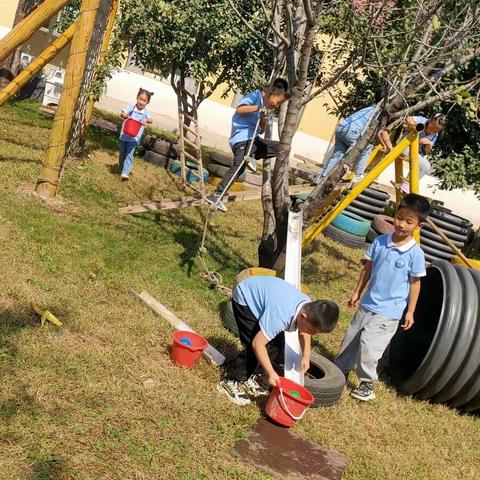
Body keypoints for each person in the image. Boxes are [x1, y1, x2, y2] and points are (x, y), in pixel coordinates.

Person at [335, 193, 431, 402]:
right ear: (393, 214)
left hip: (389, 311)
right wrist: (356, 292)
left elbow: (415, 284)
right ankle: (339, 371)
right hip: (368, 304)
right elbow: (367, 269)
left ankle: (367, 383)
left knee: (370, 346)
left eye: (409, 221)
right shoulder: (379, 242)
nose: (401, 224)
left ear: (418, 227)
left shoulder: (415, 254)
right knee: (351, 338)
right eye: (399, 217)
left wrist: (411, 311)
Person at [217, 275, 339, 406]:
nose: (313, 334)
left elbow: (304, 332)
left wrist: (306, 356)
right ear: (303, 317)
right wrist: (271, 373)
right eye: (313, 331)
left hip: (268, 296)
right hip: (246, 297)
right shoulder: (281, 316)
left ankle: (255, 375)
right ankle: (231, 381)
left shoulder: (308, 307)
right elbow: (257, 344)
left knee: (278, 344)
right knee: (253, 346)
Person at [205, 78, 290, 212]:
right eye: (278, 101)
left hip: (253, 140)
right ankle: (216, 195)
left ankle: (251, 155)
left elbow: (261, 130)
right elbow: (240, 109)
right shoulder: (254, 96)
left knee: (282, 147)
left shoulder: (266, 108)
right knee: (238, 168)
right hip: (242, 139)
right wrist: (258, 108)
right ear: (273, 91)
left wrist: (262, 118)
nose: (277, 105)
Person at [319, 87, 385, 181]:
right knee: (366, 148)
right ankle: (358, 176)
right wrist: (387, 146)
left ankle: (321, 178)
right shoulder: (379, 112)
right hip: (351, 131)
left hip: (342, 127)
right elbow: (381, 132)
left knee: (337, 156)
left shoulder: (369, 108)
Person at [378, 113, 446, 189]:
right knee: (425, 166)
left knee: (426, 167)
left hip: (415, 152)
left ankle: (405, 183)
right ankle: (406, 184)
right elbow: (408, 119)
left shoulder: (434, 135)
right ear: (430, 120)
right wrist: (414, 126)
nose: (432, 130)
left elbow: (427, 151)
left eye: (436, 130)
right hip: (404, 146)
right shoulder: (422, 121)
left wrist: (429, 145)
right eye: (432, 127)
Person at [118, 88, 154, 181]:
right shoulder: (131, 107)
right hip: (124, 135)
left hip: (134, 138)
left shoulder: (145, 112)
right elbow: (123, 112)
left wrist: (146, 120)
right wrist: (124, 115)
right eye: (140, 99)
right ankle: (121, 169)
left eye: (144, 101)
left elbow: (151, 119)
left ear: (147, 102)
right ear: (137, 98)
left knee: (129, 154)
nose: (141, 102)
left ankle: (125, 173)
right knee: (122, 154)